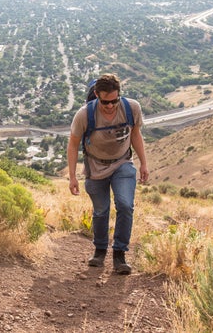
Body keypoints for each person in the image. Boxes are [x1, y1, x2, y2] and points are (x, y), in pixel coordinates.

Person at [67, 73, 149, 274]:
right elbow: (73, 143)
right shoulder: (85, 114)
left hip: (122, 163)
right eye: (105, 102)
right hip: (95, 166)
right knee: (101, 211)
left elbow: (136, 135)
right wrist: (72, 176)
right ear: (97, 95)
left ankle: (120, 254)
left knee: (125, 205)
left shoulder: (132, 108)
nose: (110, 106)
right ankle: (100, 250)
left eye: (114, 101)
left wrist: (144, 164)